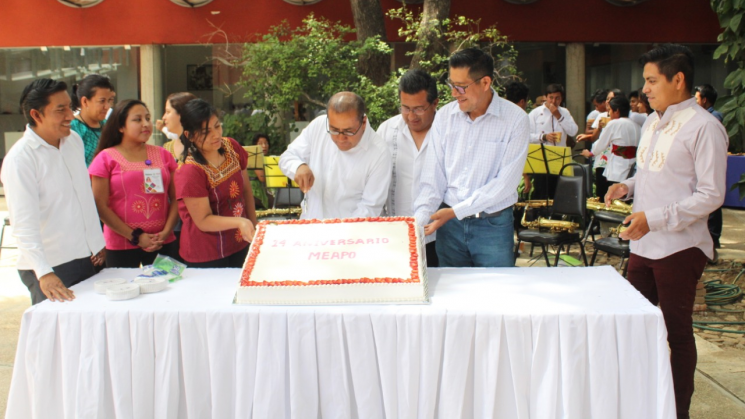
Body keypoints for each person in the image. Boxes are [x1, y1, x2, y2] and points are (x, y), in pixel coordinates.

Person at [606, 44, 728, 419]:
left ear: (679, 80)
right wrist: (627, 186)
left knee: (677, 332)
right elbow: (654, 172)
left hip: (680, 245)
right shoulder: (655, 121)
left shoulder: (705, 126)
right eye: (645, 81)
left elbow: (711, 195)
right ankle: (639, 402)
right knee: (633, 325)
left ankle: (677, 410)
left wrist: (654, 218)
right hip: (645, 244)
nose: (645, 88)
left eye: (652, 80)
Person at [413, 47, 529, 268]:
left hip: (492, 224)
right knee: (451, 295)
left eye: (461, 87)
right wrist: (419, 221)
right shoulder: (445, 117)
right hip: (449, 228)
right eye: (452, 85)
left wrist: (457, 211)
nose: (454, 93)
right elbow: (432, 178)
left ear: (485, 83)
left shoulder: (515, 119)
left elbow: (505, 184)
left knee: (495, 293)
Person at [1, 78, 105, 304]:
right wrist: (44, 272)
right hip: (53, 266)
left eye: (70, 106)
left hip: (88, 257)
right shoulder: (21, 160)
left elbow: (83, 198)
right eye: (61, 109)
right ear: (37, 115)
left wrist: (97, 243)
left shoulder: (73, 141)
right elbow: (23, 224)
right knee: (59, 335)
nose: (70, 115)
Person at [89, 100, 179, 268]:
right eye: (137, 120)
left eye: (147, 118)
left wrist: (166, 232)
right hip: (120, 245)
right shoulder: (105, 158)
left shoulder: (164, 155)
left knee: (169, 287)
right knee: (125, 291)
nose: (146, 124)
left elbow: (176, 199)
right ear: (121, 126)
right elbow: (100, 206)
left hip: (162, 242)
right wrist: (136, 237)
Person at [280, 92, 392, 219]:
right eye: (334, 130)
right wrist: (299, 166)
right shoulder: (318, 126)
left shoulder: (379, 152)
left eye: (349, 131)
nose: (340, 138)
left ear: (364, 122)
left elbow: (370, 207)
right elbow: (287, 157)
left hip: (352, 233)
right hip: (310, 225)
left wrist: (339, 232)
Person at [175, 99, 257, 267]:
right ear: (189, 135)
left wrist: (254, 227)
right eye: (206, 131)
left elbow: (246, 191)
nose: (216, 135)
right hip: (207, 253)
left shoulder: (231, 147)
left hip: (240, 241)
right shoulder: (190, 171)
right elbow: (203, 220)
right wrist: (241, 222)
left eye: (217, 126)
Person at [377, 69, 440, 267]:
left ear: (435, 103)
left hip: (439, 236)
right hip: (397, 233)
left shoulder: (448, 131)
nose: (411, 116)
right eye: (405, 108)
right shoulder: (387, 130)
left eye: (419, 109)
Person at [528, 83, 578, 199]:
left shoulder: (564, 112)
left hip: (559, 158)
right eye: (551, 97)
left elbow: (573, 131)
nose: (554, 101)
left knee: (558, 194)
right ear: (545, 97)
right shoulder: (535, 113)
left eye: (557, 98)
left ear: (562, 99)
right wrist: (543, 137)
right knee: (541, 192)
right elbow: (527, 136)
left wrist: (558, 115)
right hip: (541, 158)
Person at [694, 84, 725, 261]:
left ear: (705, 100)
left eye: (697, 98)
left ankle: (714, 238)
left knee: (712, 202)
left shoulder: (713, 118)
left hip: (711, 164)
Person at [580, 96, 640, 184]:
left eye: (610, 110)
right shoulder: (637, 126)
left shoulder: (613, 123)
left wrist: (591, 153)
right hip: (633, 167)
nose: (609, 114)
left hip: (617, 169)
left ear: (617, 111)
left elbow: (601, 143)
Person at [70, 74, 116, 167]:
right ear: (85, 101)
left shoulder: (109, 126)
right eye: (102, 101)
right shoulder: (73, 129)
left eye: (109, 100)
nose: (107, 106)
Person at [503, 81, 533, 197]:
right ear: (522, 101)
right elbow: (518, 152)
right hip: (511, 174)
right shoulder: (521, 118)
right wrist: (525, 176)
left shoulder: (497, 114)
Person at [160, 92, 197, 162]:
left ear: (182, 114)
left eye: (168, 112)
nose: (163, 117)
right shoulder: (165, 149)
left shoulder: (204, 147)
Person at [250, 133, 274, 209]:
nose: (264, 146)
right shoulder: (254, 158)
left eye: (266, 143)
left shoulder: (266, 159)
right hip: (254, 191)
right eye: (260, 143)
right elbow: (262, 178)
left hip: (262, 188)